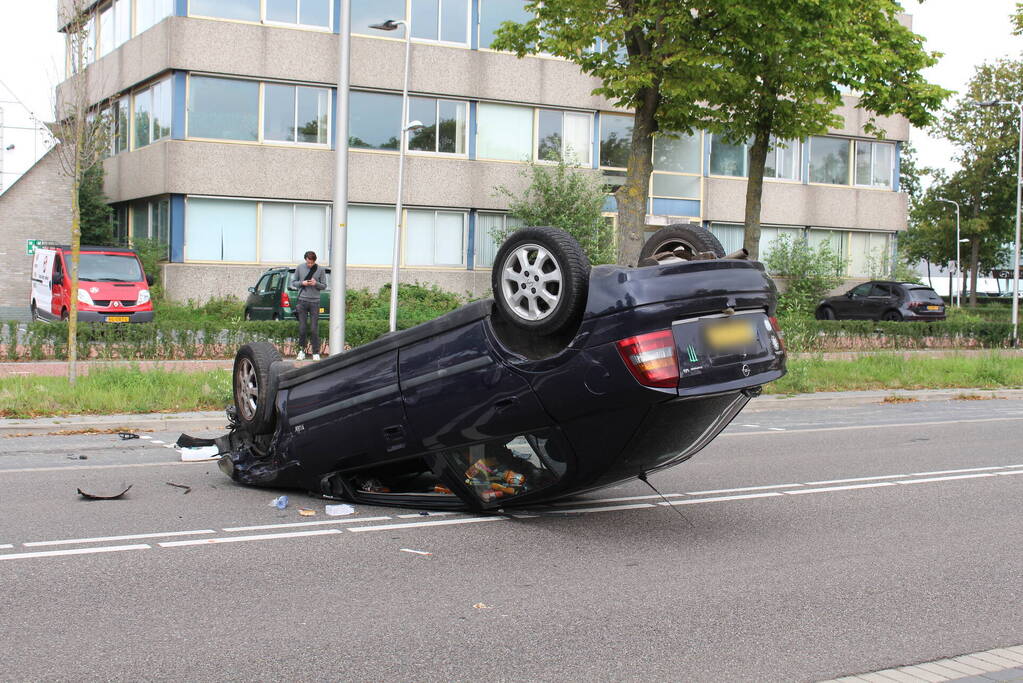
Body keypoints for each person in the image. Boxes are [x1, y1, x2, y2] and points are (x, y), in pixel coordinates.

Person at [290, 250, 327, 360]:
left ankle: (315, 352)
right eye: (308, 262)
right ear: (305, 260)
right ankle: (301, 351)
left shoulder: (320, 269)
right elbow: (293, 283)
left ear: (314, 261)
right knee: (302, 328)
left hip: (315, 302)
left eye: (311, 263)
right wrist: (302, 283)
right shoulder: (300, 267)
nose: (310, 265)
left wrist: (316, 284)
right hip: (302, 301)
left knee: (314, 329)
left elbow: (324, 286)